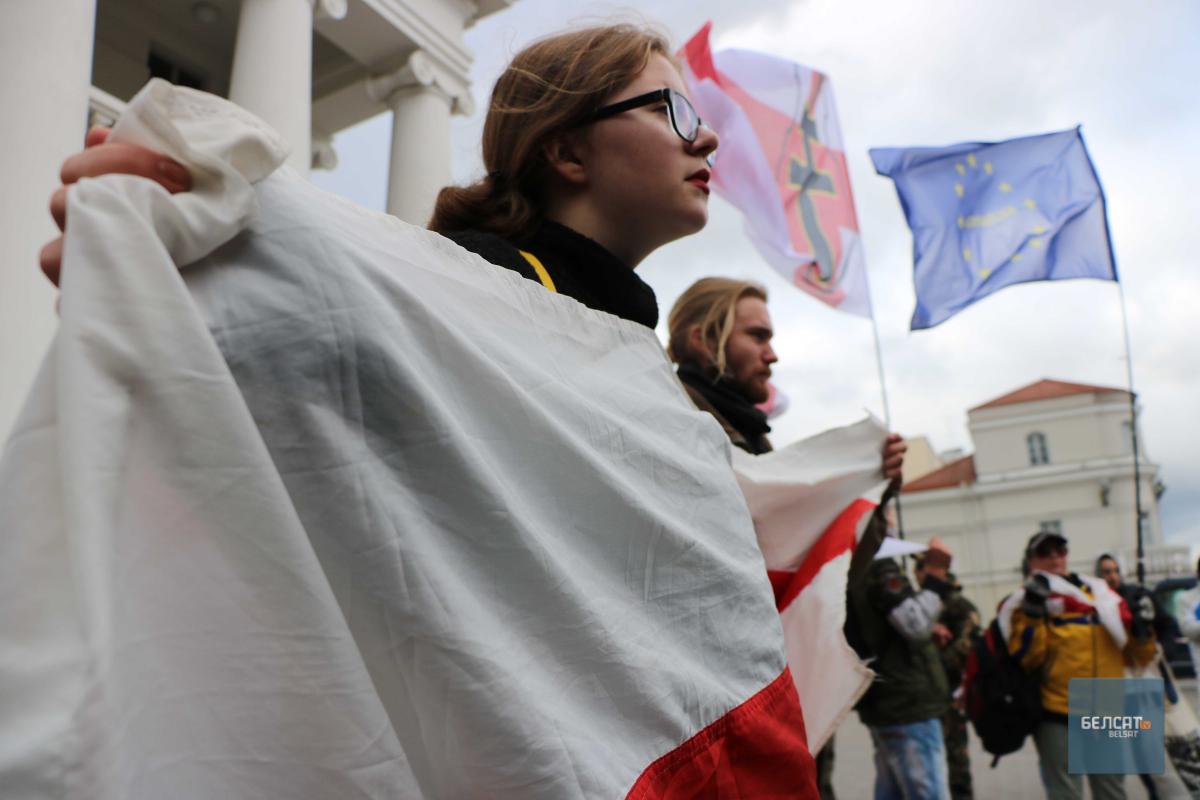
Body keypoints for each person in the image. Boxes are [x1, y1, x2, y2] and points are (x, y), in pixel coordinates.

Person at [36, 22, 827, 797]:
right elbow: (291, 344)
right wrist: (168, 252)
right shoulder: (458, 295)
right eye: (672, 111)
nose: (708, 141)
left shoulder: (631, 354)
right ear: (566, 148)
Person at [666, 276, 906, 799]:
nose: (772, 355)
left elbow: (823, 570)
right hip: (706, 709)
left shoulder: (756, 442)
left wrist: (872, 493)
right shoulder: (670, 424)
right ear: (703, 339)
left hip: (770, 691)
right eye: (756, 336)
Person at [1004, 532, 1157, 800]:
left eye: (1059, 550)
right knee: (1066, 794)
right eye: (1045, 552)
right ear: (1031, 561)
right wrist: (1033, 614)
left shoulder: (1103, 598)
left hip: (1107, 707)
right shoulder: (1023, 601)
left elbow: (1140, 658)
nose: (1054, 556)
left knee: (1112, 793)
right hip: (1058, 709)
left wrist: (1143, 629)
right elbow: (1028, 658)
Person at [847, 534, 955, 800]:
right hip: (907, 705)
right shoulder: (879, 565)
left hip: (891, 702)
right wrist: (936, 576)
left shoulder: (857, 563)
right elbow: (915, 624)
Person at [914, 554, 980, 800]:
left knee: (956, 765)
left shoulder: (958, 605)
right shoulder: (921, 603)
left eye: (921, 568)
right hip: (924, 698)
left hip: (951, 696)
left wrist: (932, 661)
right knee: (928, 768)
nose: (918, 574)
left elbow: (967, 646)